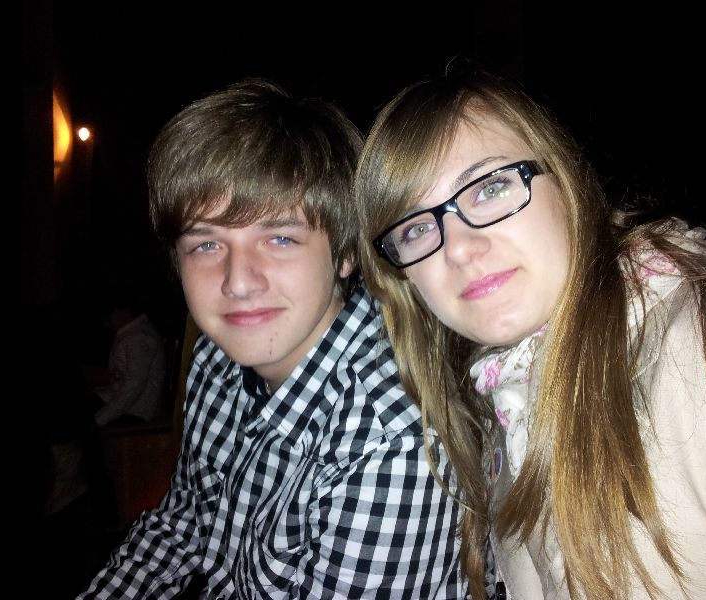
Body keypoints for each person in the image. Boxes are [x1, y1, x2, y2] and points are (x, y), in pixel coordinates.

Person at [353, 65, 706, 600]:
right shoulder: (498, 413)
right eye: (418, 227)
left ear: (566, 181)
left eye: (490, 187)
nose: (460, 248)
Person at [78, 78, 466, 598]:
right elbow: (183, 522)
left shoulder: (392, 444)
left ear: (346, 254)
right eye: (206, 244)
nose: (238, 282)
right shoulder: (216, 359)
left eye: (280, 238)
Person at [91, 288, 168, 426]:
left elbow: (134, 385)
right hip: (123, 404)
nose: (107, 322)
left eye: (110, 315)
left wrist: (100, 418)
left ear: (125, 311)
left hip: (135, 410)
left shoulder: (140, 338)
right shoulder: (131, 334)